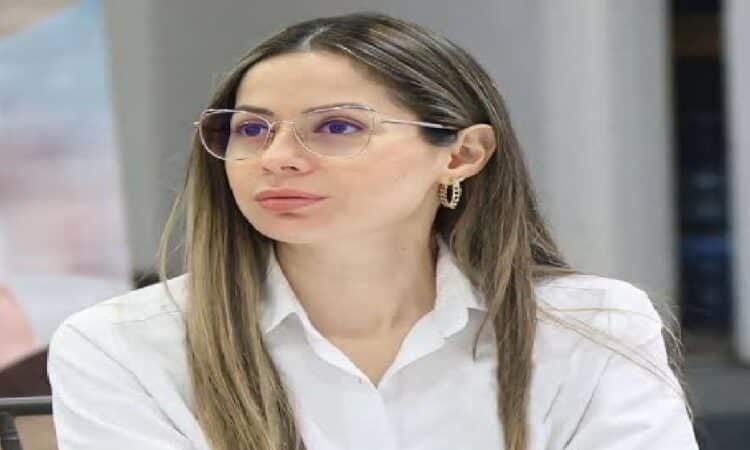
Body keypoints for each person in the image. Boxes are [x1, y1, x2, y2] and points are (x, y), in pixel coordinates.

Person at [46, 12, 699, 450]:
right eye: (252, 129)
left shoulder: (591, 323)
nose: (277, 157)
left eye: (336, 127)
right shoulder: (121, 345)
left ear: (462, 154)